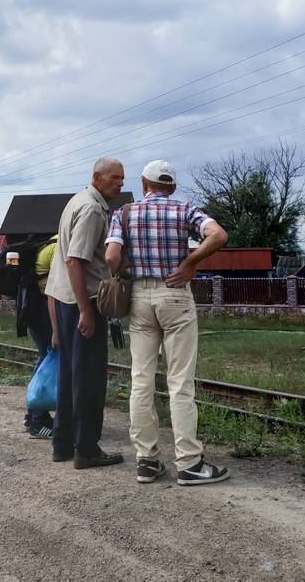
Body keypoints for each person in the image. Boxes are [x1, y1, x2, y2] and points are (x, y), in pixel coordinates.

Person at [104, 160, 230, 486]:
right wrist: (190, 262)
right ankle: (188, 463)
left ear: (144, 184)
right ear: (171, 187)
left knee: (141, 380)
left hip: (140, 300)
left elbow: (112, 258)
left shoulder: (124, 213)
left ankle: (146, 461)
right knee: (180, 383)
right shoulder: (185, 209)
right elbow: (218, 235)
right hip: (175, 295)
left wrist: (131, 274)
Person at [44, 157, 126, 469]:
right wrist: (85, 311)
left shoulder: (77, 201)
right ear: (97, 177)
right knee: (89, 379)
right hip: (83, 301)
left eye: (122, 178)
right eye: (115, 178)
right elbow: (74, 260)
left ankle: (63, 444)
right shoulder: (92, 209)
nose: (120, 183)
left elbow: (64, 259)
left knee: (69, 375)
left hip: (65, 299)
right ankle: (87, 449)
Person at [24, 235, 58, 439]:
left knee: (44, 358)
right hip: (43, 308)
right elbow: (57, 285)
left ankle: (34, 417)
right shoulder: (58, 246)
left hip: (33, 307)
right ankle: (37, 421)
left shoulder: (49, 242)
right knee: (47, 360)